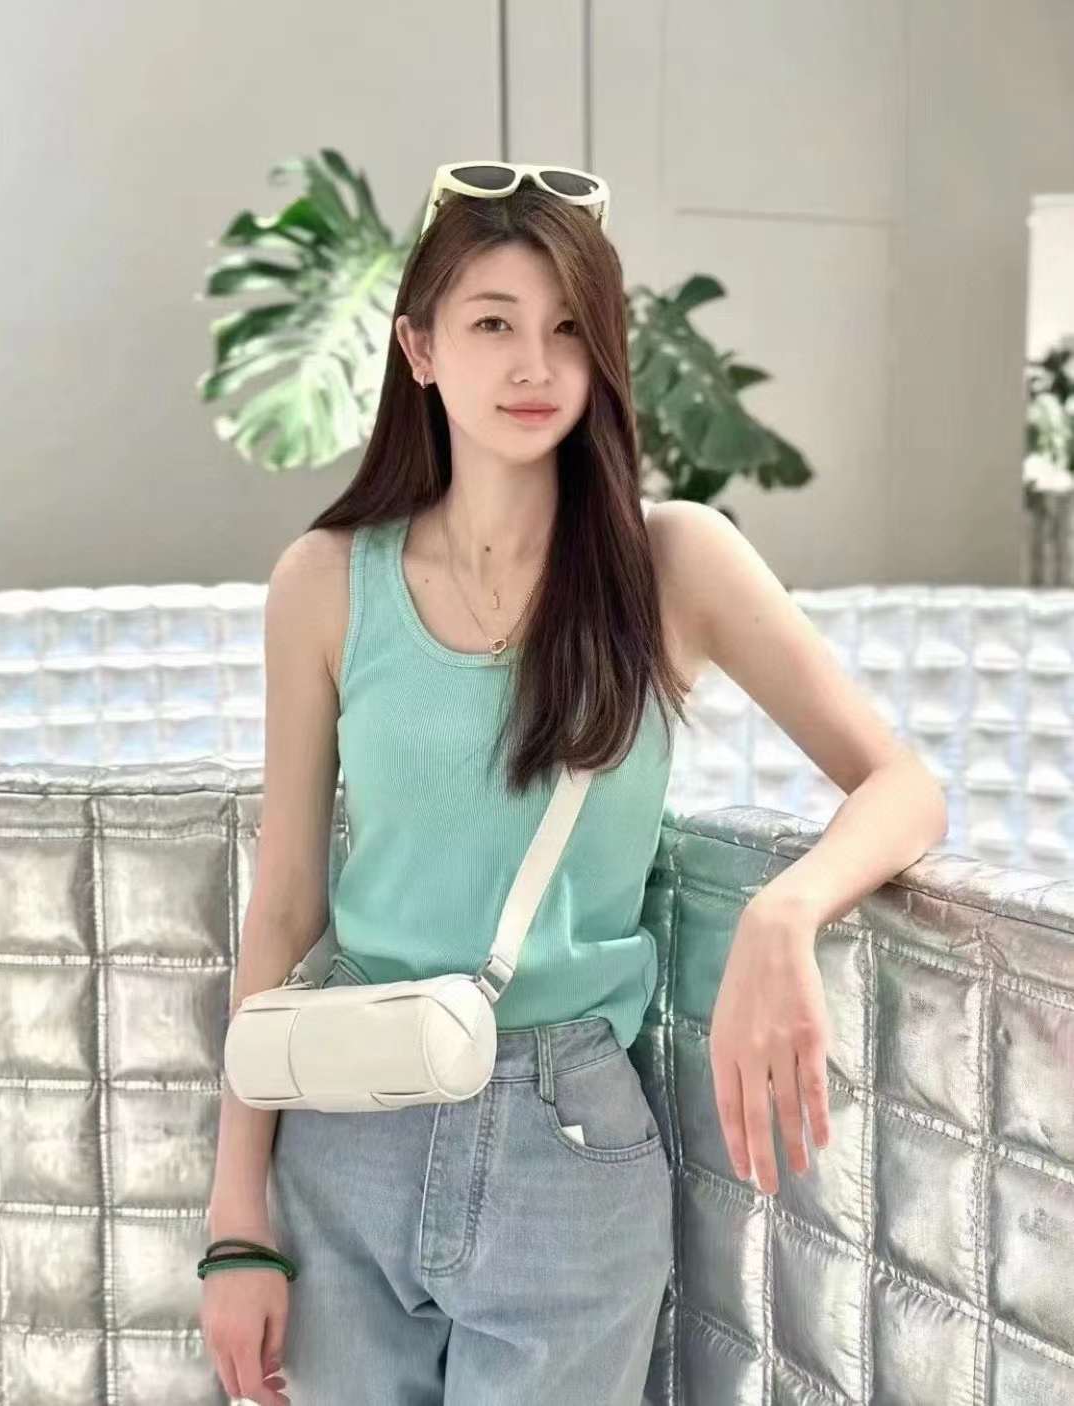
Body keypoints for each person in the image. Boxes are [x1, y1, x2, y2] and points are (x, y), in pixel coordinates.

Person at [200, 162, 943, 1404]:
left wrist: (786, 910)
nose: (534, 363)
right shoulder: (324, 583)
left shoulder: (674, 562)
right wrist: (238, 1220)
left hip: (568, 1146)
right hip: (346, 1131)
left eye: (567, 329)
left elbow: (903, 784)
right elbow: (281, 910)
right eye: (493, 322)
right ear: (420, 347)